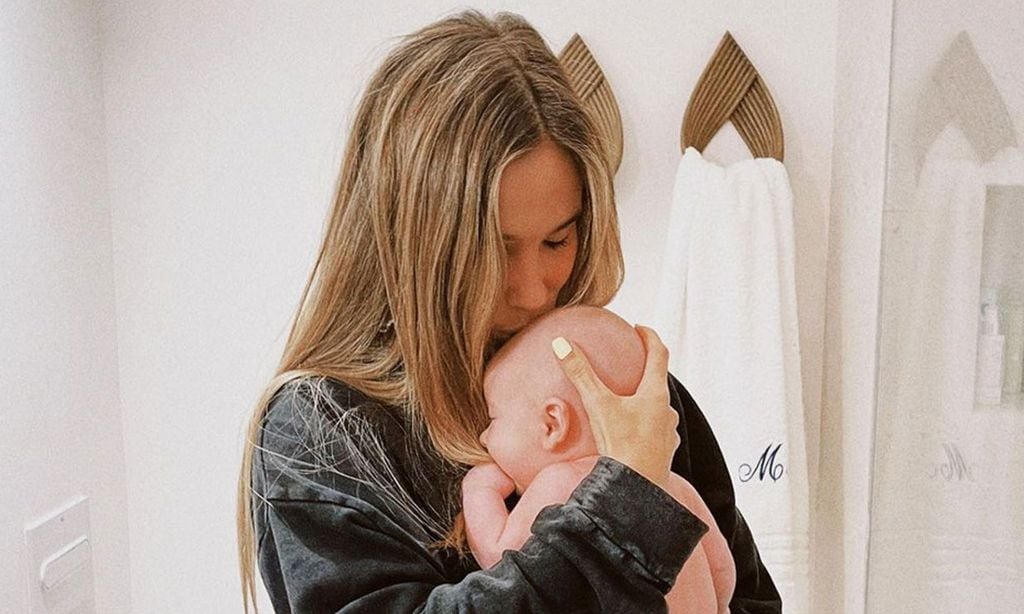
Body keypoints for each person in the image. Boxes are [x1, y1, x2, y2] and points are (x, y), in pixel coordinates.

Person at [235, 9, 782, 613]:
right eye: (495, 248)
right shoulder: (322, 432)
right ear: (413, 242)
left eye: (558, 240)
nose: (533, 290)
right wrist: (621, 503)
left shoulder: (613, 390)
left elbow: (749, 601)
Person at [463, 305, 736, 613]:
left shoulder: (561, 482)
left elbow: (501, 562)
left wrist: (479, 488)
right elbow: (724, 575)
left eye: (493, 419)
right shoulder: (676, 486)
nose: (484, 438)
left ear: (553, 424)